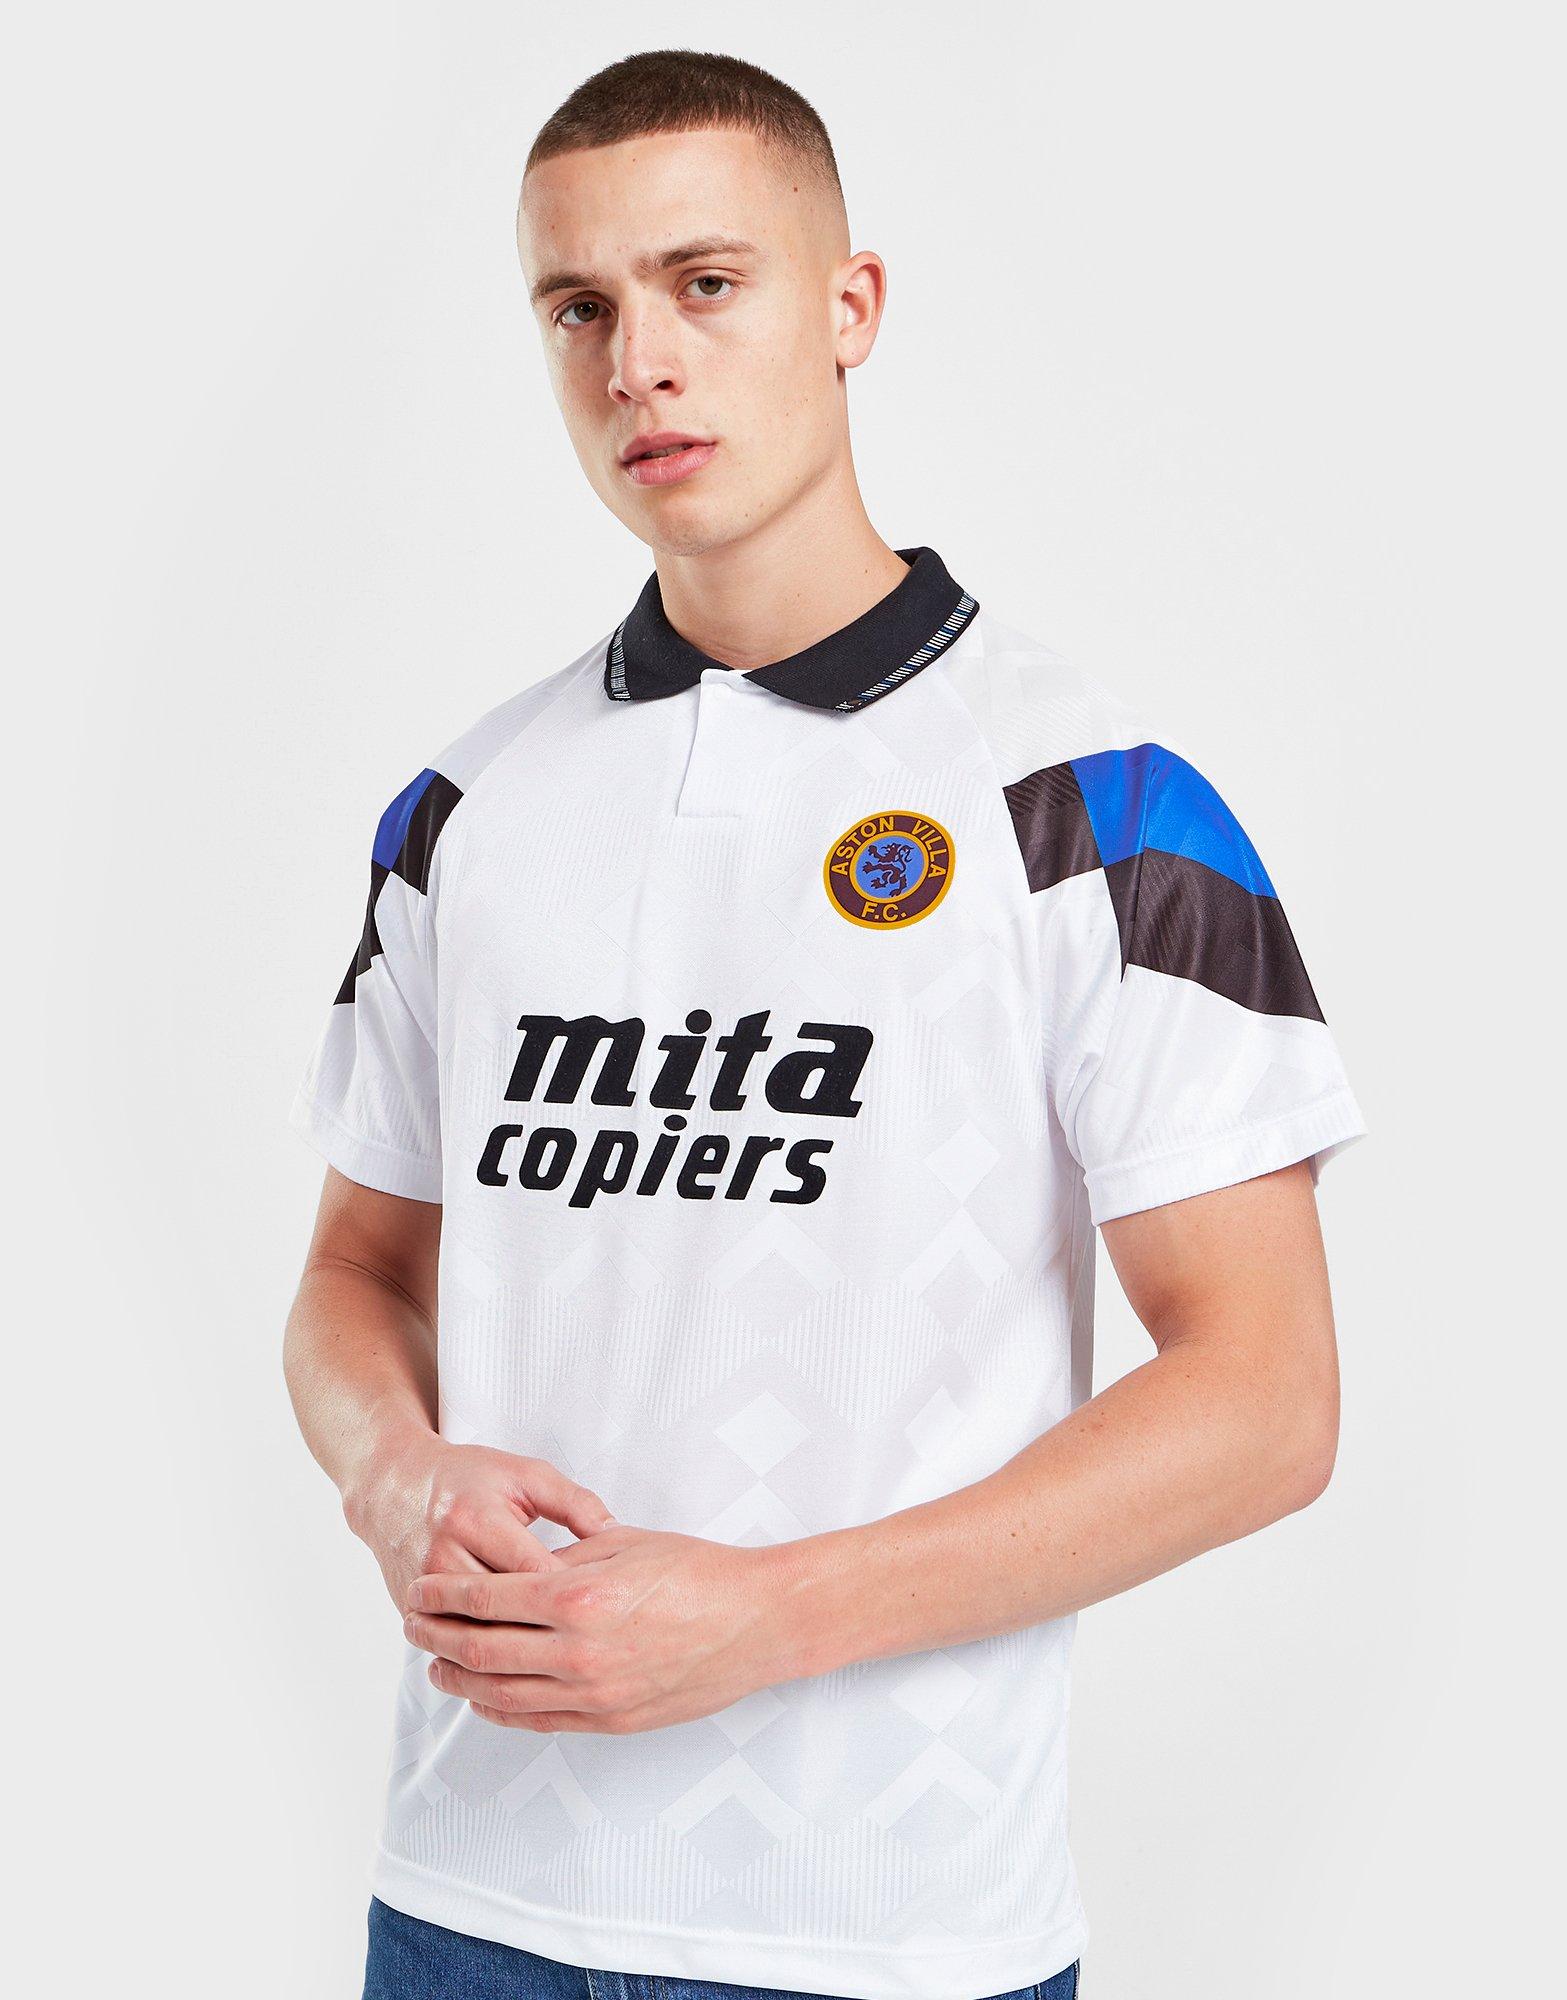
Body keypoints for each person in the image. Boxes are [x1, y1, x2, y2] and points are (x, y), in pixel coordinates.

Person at [283, 47, 1366, 2000]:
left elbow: (1267, 1402)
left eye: (705, 283)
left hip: (889, 1933)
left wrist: (767, 1618)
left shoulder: (1097, 806)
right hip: (465, 1901)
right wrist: (394, 1474)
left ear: (850, 304)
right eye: (577, 308)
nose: (639, 364)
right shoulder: (464, 811)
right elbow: (357, 1275)